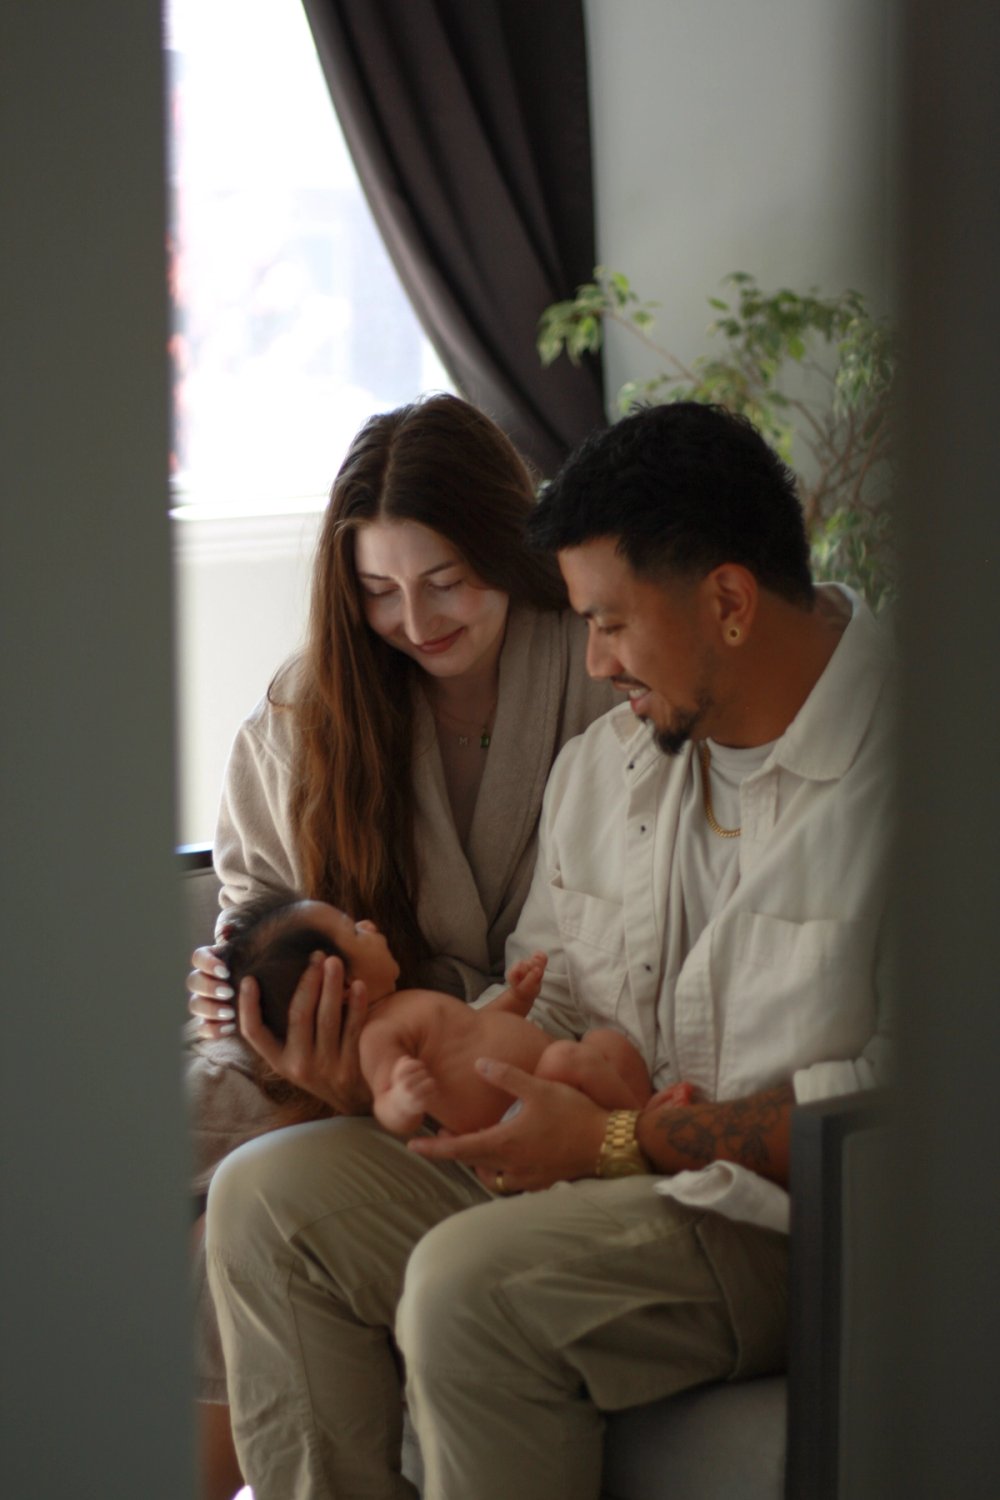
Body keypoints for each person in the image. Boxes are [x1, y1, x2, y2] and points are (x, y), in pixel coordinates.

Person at [205, 401, 893, 1500]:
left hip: (776, 1223)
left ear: (726, 601)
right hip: (602, 1171)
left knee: (465, 1286)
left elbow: (898, 1124)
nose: (594, 661)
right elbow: (554, 1004)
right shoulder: (611, 768)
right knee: (263, 1202)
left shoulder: (920, 778)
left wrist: (619, 1136)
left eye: (612, 624)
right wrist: (412, 1075)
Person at [185, 394, 614, 1500]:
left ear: (505, 548)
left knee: (245, 1192)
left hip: (479, 1051)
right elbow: (260, 906)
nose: (413, 621)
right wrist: (253, 1006)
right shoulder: (312, 708)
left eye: (444, 581)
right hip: (334, 1043)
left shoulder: (596, 664)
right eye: (377, 591)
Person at [194, 895, 687, 1142]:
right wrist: (402, 1100)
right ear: (341, 984)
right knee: (567, 1057)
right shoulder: (380, 1036)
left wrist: (516, 998)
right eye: (351, 930)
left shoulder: (409, 1003)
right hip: (513, 1116)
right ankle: (644, 1131)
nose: (367, 924)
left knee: (607, 1044)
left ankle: (639, 1113)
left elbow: (479, 1029)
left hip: (544, 1077)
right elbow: (385, 1101)